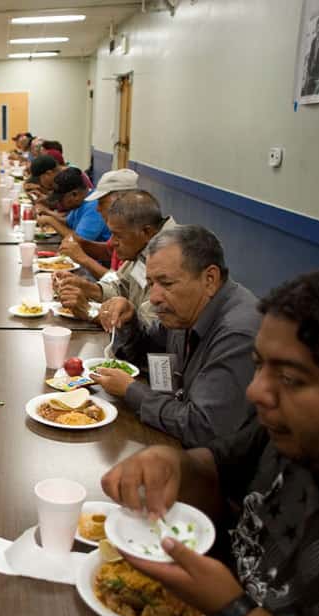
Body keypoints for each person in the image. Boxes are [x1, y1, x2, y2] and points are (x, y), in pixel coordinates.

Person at [101, 263, 319, 616]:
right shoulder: (290, 435)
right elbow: (213, 466)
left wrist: (233, 611)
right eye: (258, 365)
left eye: (291, 378)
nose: (255, 391)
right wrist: (172, 463)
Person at [95, 224, 260, 447]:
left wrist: (132, 391)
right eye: (151, 283)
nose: (153, 297)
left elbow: (204, 427)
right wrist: (129, 321)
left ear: (209, 279)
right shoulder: (184, 312)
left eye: (166, 283)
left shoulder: (238, 333)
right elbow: (147, 350)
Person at [54, 190, 176, 325]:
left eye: (118, 235)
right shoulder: (142, 246)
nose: (111, 242)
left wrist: (90, 312)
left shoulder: (170, 256)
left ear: (146, 232)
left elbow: (151, 328)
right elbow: (119, 282)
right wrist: (87, 287)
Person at [55, 168, 142, 279]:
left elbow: (120, 286)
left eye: (102, 203)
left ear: (120, 201)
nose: (97, 209)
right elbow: (108, 251)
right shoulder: (120, 230)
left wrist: (82, 258)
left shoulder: (136, 234)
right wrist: (81, 243)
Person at [38, 167, 112, 243]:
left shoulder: (94, 206)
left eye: (61, 199)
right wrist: (47, 215)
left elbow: (79, 240)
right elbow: (68, 223)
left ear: (74, 194)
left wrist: (51, 221)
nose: (59, 203)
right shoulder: (80, 202)